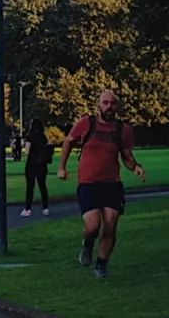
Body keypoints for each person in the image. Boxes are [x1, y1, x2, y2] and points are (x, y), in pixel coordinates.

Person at [57, 90, 146, 279]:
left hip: (112, 184)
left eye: (112, 103)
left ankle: (101, 263)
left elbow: (127, 157)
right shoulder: (86, 124)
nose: (109, 107)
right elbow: (68, 142)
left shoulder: (123, 130)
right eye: (105, 103)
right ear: (98, 105)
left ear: (117, 106)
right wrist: (61, 167)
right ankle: (88, 245)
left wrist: (136, 167)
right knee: (92, 226)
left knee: (110, 224)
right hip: (88, 183)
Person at [21, 118, 51, 217]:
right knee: (42, 186)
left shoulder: (30, 137)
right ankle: (45, 208)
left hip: (31, 164)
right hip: (42, 164)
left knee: (30, 187)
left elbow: (27, 151)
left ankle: (28, 208)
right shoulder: (43, 137)